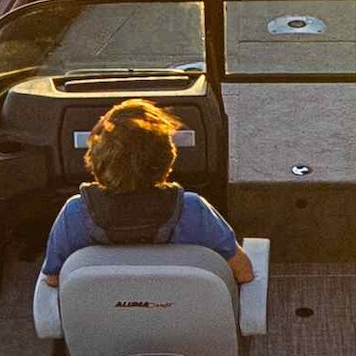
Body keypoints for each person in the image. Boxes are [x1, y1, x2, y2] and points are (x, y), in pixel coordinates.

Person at [42, 97, 248, 287]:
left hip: (101, 325)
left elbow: (53, 280)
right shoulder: (194, 210)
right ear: (166, 157)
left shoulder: (74, 214)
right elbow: (244, 273)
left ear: (98, 158)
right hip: (186, 322)